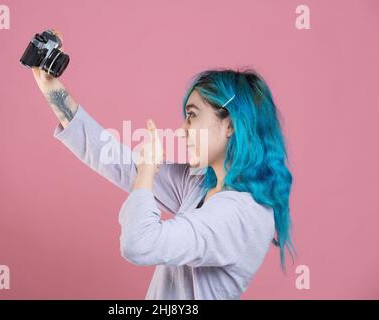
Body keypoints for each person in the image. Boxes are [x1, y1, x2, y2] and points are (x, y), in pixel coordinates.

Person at [31, 30, 295, 300]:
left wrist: (147, 170)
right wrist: (49, 86)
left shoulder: (240, 216)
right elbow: (115, 160)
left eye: (192, 116)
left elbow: (139, 243)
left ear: (229, 124)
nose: (182, 131)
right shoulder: (200, 183)